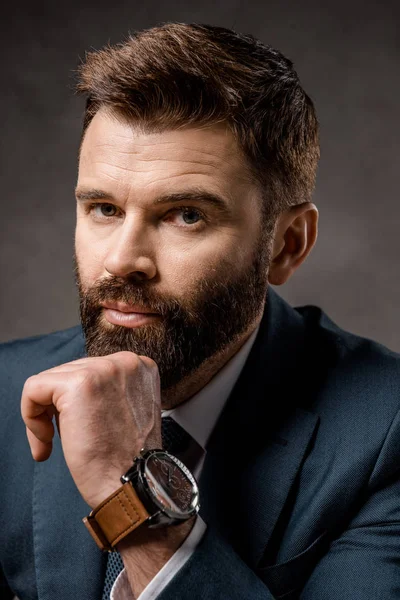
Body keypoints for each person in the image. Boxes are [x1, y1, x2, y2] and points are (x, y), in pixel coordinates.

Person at [1, 22, 400, 600]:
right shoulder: (3, 390)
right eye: (105, 208)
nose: (123, 260)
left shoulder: (386, 434)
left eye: (186, 215)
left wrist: (136, 497)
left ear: (286, 245)